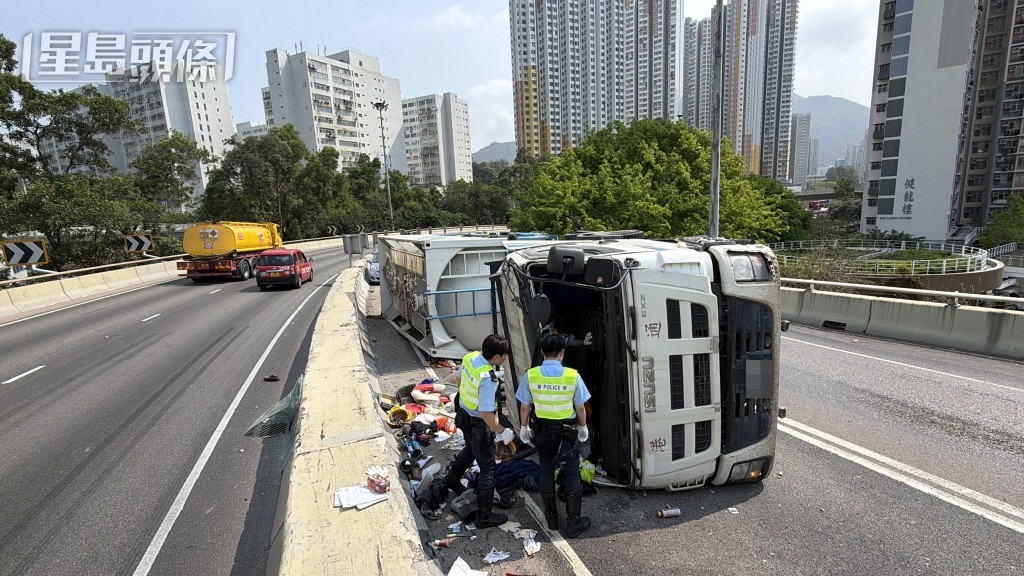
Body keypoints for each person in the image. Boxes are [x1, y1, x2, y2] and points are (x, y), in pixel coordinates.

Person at [516, 333, 592, 538]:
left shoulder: (531, 375)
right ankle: (573, 524)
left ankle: (552, 520)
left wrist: (523, 428)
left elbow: (525, 407)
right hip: (566, 434)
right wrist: (583, 427)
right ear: (562, 352)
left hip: (542, 434)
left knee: (547, 470)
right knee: (572, 473)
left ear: (541, 351)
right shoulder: (572, 375)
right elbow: (581, 408)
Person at [440, 334, 515, 528]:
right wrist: (502, 431)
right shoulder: (488, 380)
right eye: (504, 355)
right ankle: (484, 516)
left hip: (463, 415)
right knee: (488, 468)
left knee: (469, 449)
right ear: (497, 357)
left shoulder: (470, 357)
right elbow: (486, 414)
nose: (505, 358)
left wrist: (465, 402)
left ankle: (452, 479)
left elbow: (458, 379)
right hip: (477, 424)